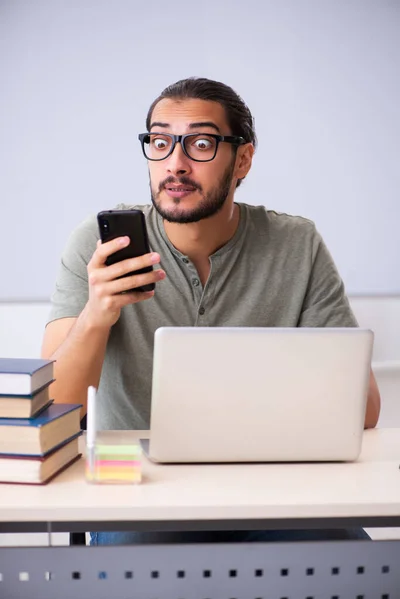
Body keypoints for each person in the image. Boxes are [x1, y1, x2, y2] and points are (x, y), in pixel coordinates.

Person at [41, 77, 380, 545]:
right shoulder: (98, 246)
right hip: (137, 489)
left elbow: (364, 412)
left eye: (200, 143)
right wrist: (97, 314)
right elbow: (56, 408)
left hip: (275, 484)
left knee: (347, 564)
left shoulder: (297, 245)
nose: (175, 164)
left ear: (243, 159)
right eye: (160, 143)